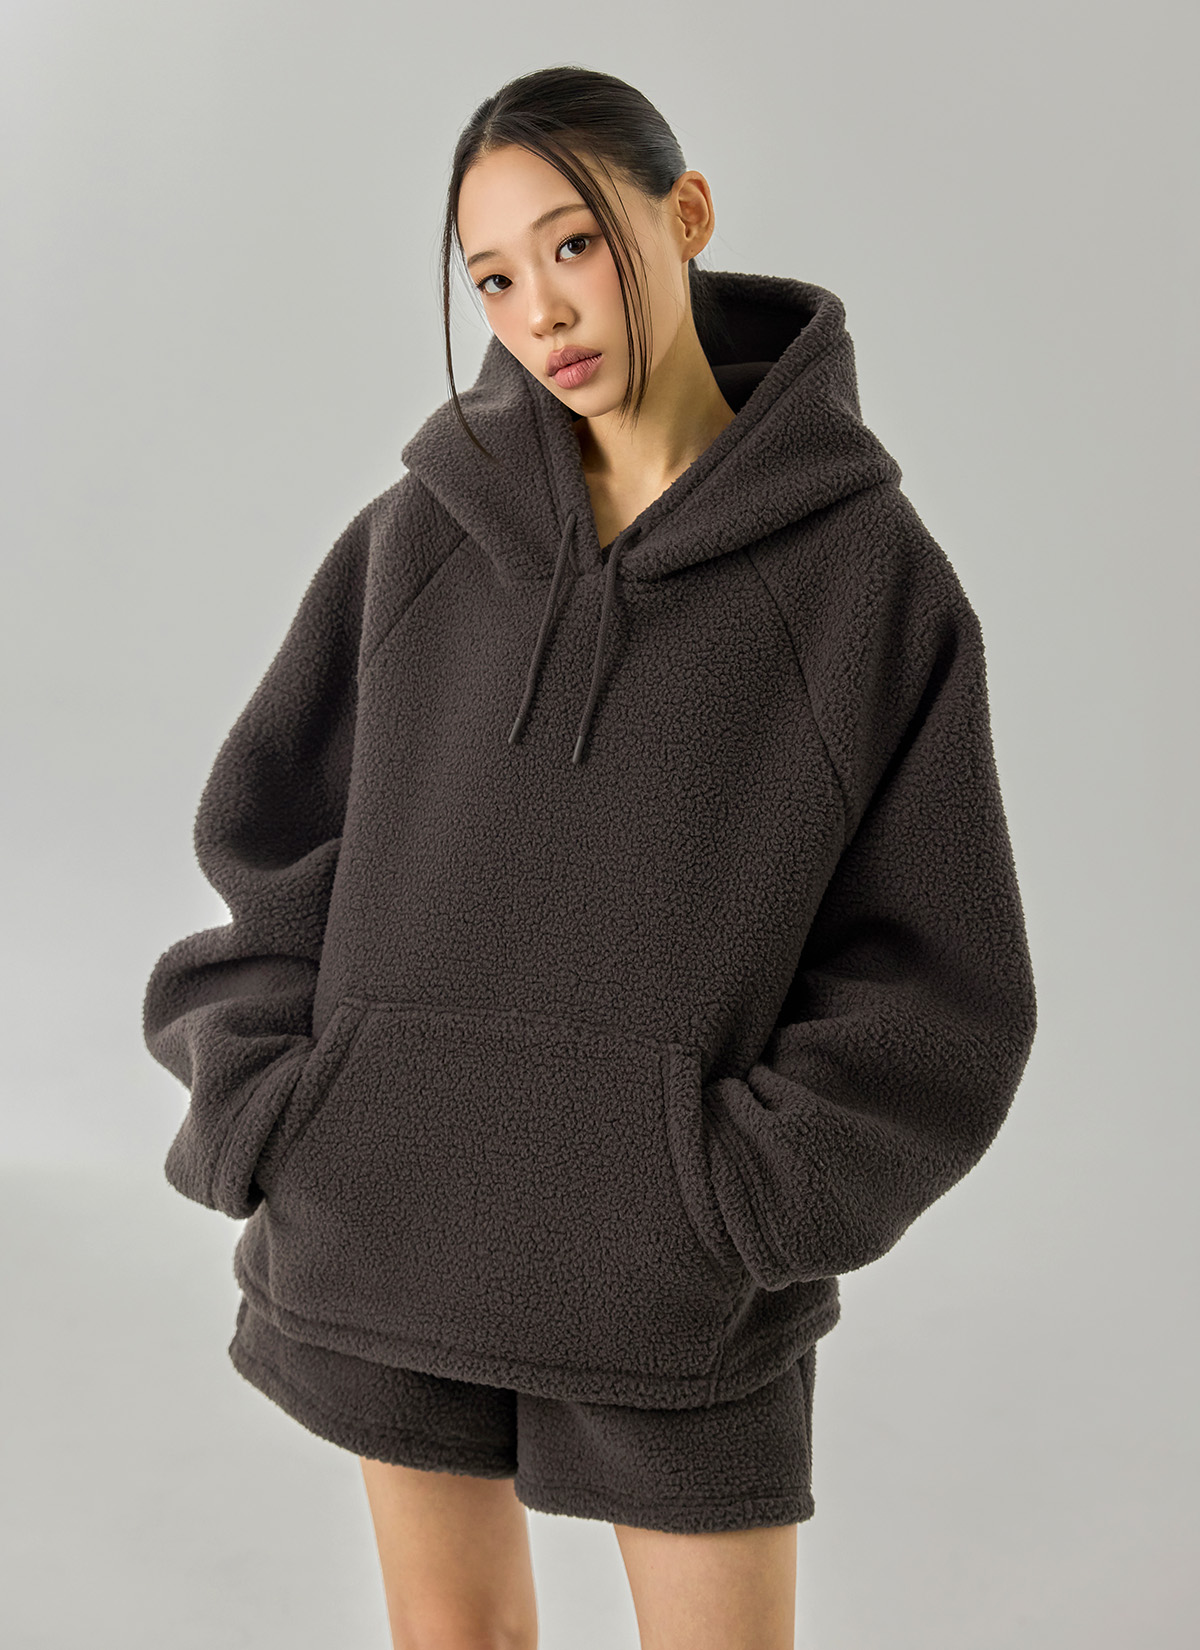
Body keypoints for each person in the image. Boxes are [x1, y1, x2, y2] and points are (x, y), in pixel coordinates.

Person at [142, 62, 1038, 1650]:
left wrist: (736, 1198)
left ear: (685, 214)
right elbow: (270, 845)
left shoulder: (867, 580)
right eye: (493, 277)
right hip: (389, 1224)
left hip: (673, 1287)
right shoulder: (418, 536)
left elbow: (939, 984)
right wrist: (280, 1109)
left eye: (574, 244)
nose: (541, 310)